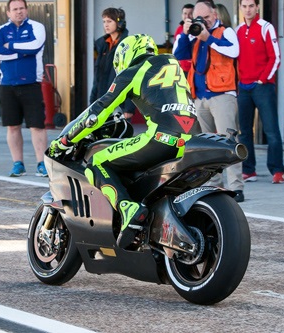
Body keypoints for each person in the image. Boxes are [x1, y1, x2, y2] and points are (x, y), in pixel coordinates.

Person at [49, 34, 199, 248]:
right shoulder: (171, 63)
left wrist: (65, 139)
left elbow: (96, 114)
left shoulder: (134, 71)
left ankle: (127, 207)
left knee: (97, 161)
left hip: (160, 138)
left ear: (127, 54)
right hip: (191, 138)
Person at [173, 1, 244, 202]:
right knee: (206, 144)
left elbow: (233, 52)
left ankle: (236, 186)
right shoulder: (194, 34)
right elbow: (179, 54)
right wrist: (186, 34)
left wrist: (208, 37)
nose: (203, 22)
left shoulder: (226, 31)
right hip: (200, 97)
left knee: (228, 142)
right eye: (199, 18)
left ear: (214, 14)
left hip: (222, 95)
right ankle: (213, 185)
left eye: (206, 17)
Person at [0, 0, 48, 177]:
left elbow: (35, 45)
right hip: (7, 85)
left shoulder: (37, 27)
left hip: (31, 84)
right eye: (15, 9)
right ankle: (18, 164)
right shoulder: (0, 30)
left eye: (22, 8)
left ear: (27, 10)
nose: (19, 12)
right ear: (8, 12)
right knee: (12, 127)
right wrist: (21, 52)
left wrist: (11, 46)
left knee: (37, 126)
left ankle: (42, 164)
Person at [236, 0, 284, 184]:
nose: (248, 9)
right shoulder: (238, 30)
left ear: (257, 7)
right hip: (243, 87)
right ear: (240, 8)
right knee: (244, 132)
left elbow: (276, 57)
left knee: (271, 130)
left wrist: (262, 79)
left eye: (251, 6)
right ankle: (249, 170)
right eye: (244, 6)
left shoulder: (266, 28)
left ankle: (277, 170)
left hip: (262, 87)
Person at [90, 8, 135, 120]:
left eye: (109, 21)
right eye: (104, 21)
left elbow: (131, 77)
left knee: (120, 136)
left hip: (120, 102)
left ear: (119, 23)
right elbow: (97, 77)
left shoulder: (128, 45)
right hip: (102, 101)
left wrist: (128, 108)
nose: (106, 25)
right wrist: (92, 101)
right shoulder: (102, 44)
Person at [172, 3, 194, 77]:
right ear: (182, 15)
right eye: (185, 13)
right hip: (182, 68)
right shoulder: (179, 30)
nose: (187, 16)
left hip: (195, 68)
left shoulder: (198, 28)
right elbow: (176, 50)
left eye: (190, 13)